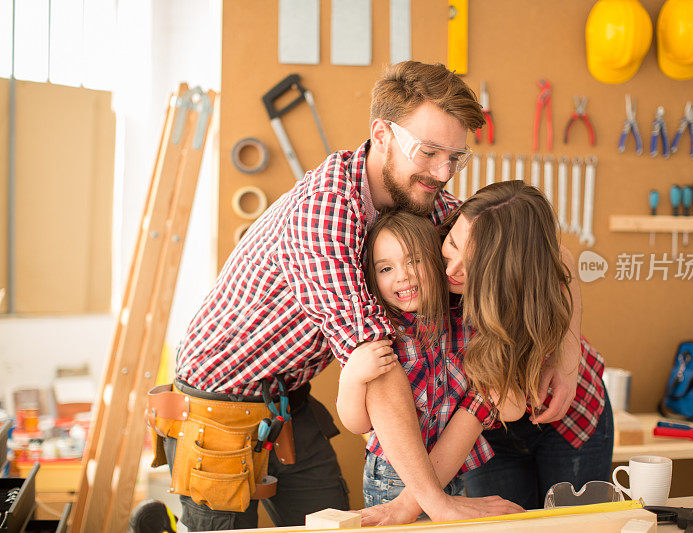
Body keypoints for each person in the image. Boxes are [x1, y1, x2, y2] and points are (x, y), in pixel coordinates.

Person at [146, 61, 521, 531]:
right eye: (428, 152)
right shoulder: (324, 210)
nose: (443, 172)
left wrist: (565, 355)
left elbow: (531, 256)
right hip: (216, 405)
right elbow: (376, 361)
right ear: (381, 132)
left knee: (335, 526)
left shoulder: (420, 200)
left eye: (455, 158)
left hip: (289, 403)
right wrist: (437, 505)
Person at [441, 180, 614, 510]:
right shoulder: (459, 226)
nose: (453, 269)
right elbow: (505, 406)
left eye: (475, 265)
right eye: (451, 244)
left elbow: (561, 259)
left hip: (571, 412)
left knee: (573, 528)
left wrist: (568, 358)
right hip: (486, 430)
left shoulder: (533, 267)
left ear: (514, 269)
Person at [336, 210, 526, 510]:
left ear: (438, 262)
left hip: (454, 468)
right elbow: (357, 423)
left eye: (414, 261)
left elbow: (512, 406)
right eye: (386, 269)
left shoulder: (465, 324)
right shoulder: (384, 335)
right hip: (394, 477)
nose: (403, 275)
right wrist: (351, 378)